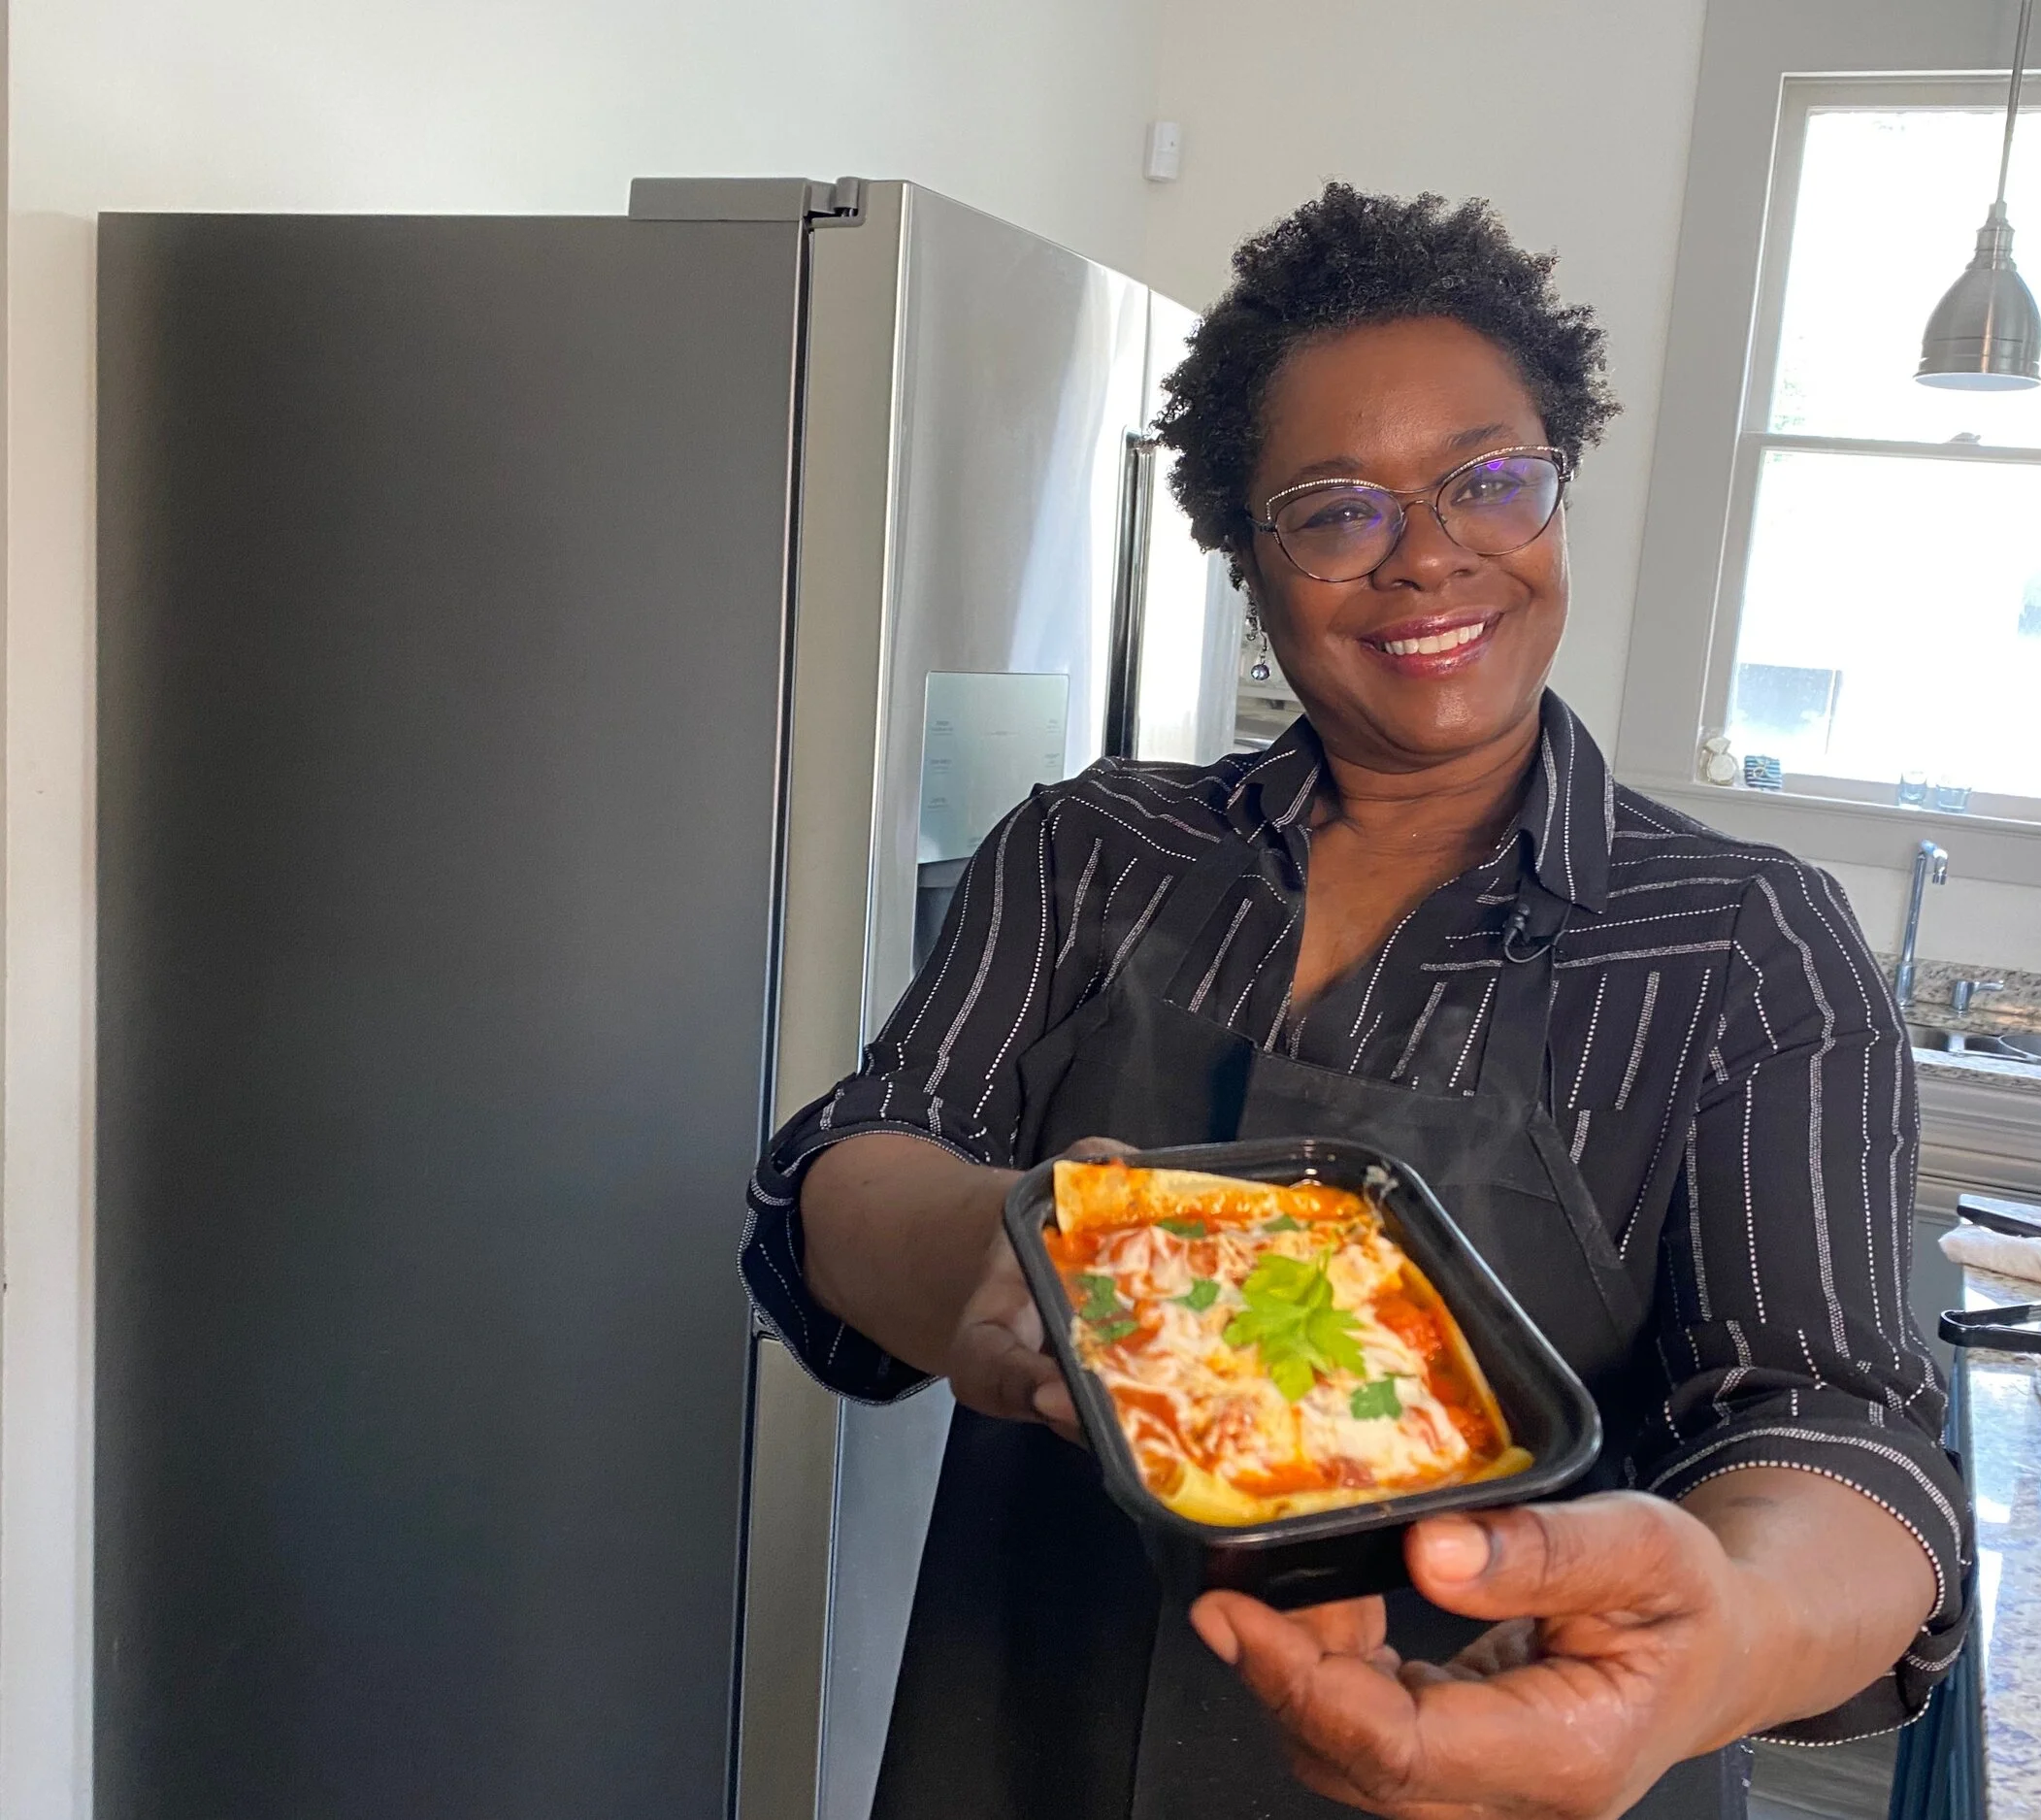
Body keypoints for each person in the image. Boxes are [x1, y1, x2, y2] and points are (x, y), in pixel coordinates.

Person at [741, 184, 1971, 1820]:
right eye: (1337, 511)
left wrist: (1729, 1626)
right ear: (1249, 562)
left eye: (1489, 480)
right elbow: (843, 1172)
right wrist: (1001, 1244)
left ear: (1557, 490)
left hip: (1515, 1760)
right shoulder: (1093, 852)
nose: (1431, 554)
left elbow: (1842, 1428)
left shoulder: (1742, 942)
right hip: (1027, 1743)